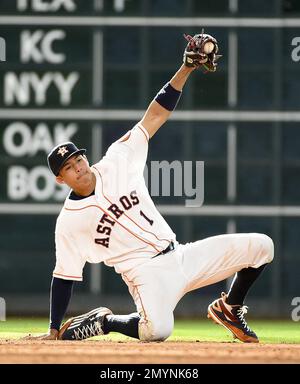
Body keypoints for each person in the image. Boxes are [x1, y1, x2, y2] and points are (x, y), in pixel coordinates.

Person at [26, 33, 273, 343]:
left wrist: (186, 68)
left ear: (85, 158)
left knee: (262, 246)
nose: (77, 168)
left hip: (182, 255)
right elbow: (64, 277)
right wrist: (53, 330)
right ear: (60, 179)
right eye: (68, 168)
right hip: (147, 275)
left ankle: (230, 307)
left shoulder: (118, 159)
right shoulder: (70, 222)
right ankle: (106, 322)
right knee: (157, 331)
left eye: (78, 160)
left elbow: (155, 115)